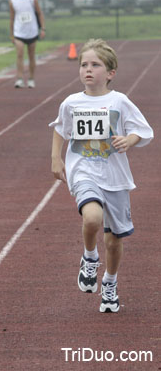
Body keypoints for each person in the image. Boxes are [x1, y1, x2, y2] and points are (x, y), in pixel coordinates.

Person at [50, 39, 153, 313]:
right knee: (92, 218)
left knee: (113, 241)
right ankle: (89, 257)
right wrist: (55, 158)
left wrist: (129, 140)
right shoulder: (71, 102)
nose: (88, 69)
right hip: (84, 171)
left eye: (96, 65)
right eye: (84, 64)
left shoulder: (119, 101)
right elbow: (61, 129)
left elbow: (143, 130)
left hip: (115, 178)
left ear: (110, 73)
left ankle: (110, 282)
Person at [9, 0, 45, 88]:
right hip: (18, 31)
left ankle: (31, 78)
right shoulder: (13, 1)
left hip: (32, 31)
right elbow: (12, 18)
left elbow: (39, 13)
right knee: (19, 54)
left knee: (31, 56)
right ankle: (19, 78)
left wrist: (43, 29)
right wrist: (11, 34)